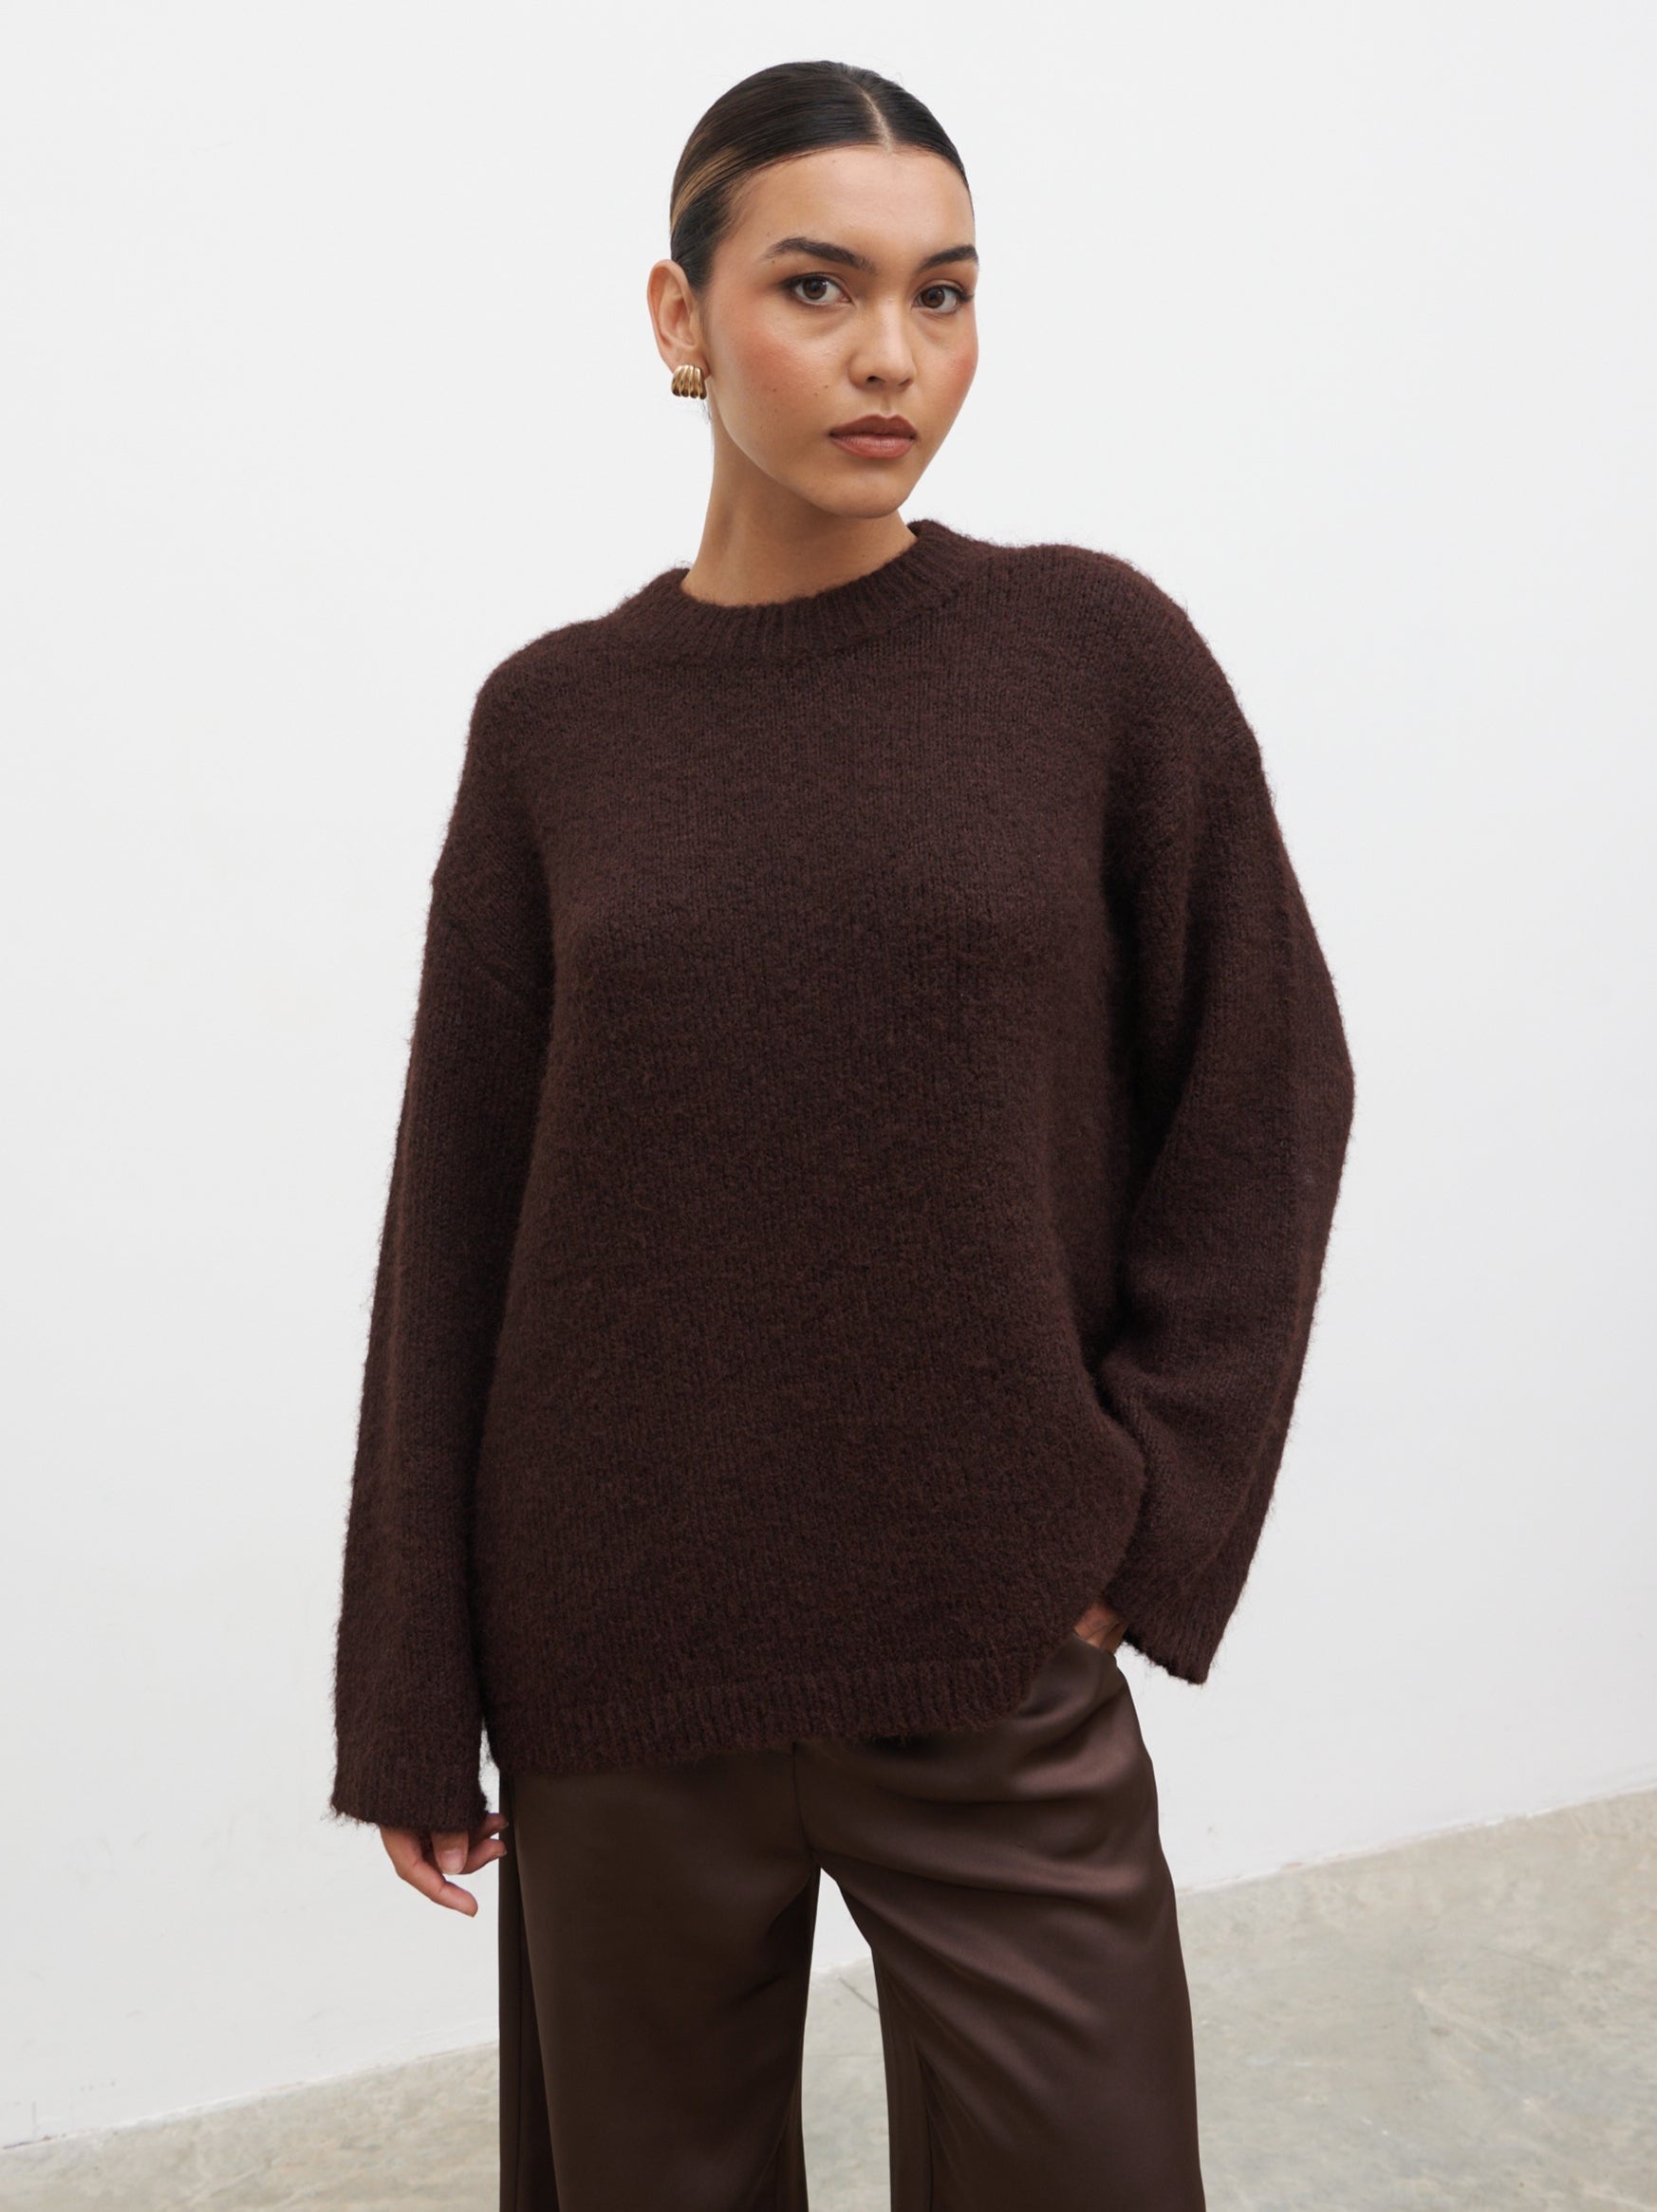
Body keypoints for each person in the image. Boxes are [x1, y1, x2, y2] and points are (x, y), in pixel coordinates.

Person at [327, 57, 1356, 2212]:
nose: (893, 352)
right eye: (818, 286)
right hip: (617, 1649)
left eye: (941, 293)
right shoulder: (555, 724)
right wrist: (412, 1684)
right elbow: (459, 1213)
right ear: (679, 317)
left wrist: (1137, 1525)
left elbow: (1266, 1087)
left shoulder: (1089, 654)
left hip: (989, 1628)